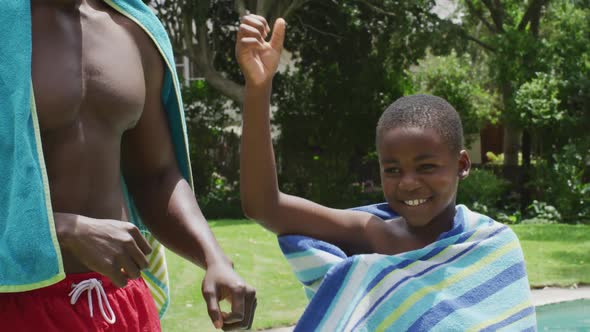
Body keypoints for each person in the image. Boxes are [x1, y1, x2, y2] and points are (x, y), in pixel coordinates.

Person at [236, 15, 536, 331]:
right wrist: (259, 87)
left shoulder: (493, 244)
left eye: (426, 167)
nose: (408, 183)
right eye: (392, 169)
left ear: (462, 165)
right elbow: (263, 206)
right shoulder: (374, 234)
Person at [0, 0, 255, 331]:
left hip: (121, 301)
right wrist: (63, 230)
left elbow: (156, 175)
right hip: (13, 303)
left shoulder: (132, 28)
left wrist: (213, 257)